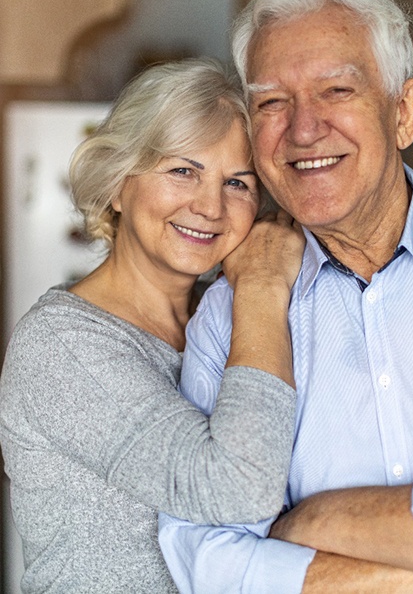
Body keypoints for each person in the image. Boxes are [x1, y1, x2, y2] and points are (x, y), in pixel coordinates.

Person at [158, 0, 413, 593]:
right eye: (271, 103)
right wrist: (400, 585)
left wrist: (311, 523)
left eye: (336, 90)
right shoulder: (231, 318)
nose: (304, 129)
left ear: (404, 112)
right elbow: (200, 549)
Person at [0, 58, 306, 593]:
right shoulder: (60, 345)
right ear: (120, 184)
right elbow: (236, 491)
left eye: (237, 182)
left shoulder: (225, 320)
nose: (210, 206)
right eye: (182, 170)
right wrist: (260, 288)